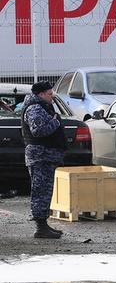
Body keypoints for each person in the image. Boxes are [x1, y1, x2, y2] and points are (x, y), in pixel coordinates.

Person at [21, 81, 66, 239]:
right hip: (40, 157)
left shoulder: (41, 106)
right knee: (40, 192)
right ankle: (40, 227)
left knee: (45, 192)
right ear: (40, 94)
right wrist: (55, 121)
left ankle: (43, 225)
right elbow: (38, 131)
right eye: (49, 93)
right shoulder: (35, 108)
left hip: (45, 157)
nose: (52, 96)